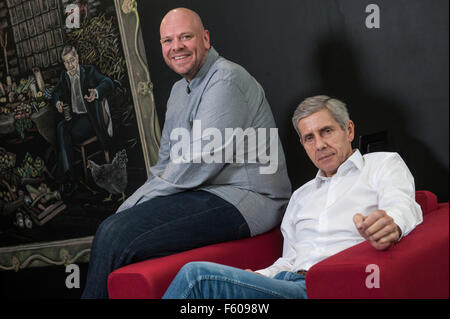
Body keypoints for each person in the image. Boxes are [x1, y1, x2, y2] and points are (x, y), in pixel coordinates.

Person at [81, 8, 291, 298]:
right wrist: (136, 205)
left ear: (205, 39)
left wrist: (132, 205)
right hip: (206, 192)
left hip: (250, 197)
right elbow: (165, 164)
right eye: (168, 41)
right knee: (119, 231)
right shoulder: (179, 92)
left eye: (185, 37)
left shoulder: (226, 79)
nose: (176, 47)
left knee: (114, 232)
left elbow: (197, 165)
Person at [162, 95, 423, 299]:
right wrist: (259, 277)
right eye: (309, 138)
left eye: (327, 131)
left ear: (349, 130)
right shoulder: (301, 196)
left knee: (196, 278)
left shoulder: (381, 165)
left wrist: (392, 223)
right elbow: (290, 259)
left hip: (325, 288)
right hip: (286, 285)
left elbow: (403, 205)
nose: (319, 144)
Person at [53, 45, 114, 195]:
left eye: (72, 60)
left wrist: (96, 91)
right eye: (66, 62)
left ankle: (67, 179)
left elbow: (108, 83)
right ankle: (69, 178)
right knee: (62, 129)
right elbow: (56, 92)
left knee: (63, 132)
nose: (70, 65)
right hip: (76, 120)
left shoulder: (89, 71)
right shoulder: (64, 76)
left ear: (78, 58)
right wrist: (58, 102)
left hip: (91, 119)